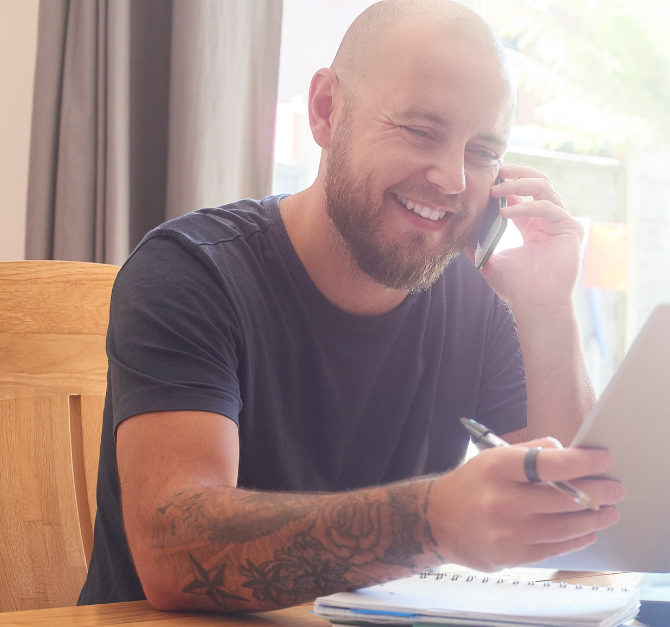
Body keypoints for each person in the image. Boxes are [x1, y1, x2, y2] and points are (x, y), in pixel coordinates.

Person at [77, 0, 624, 611]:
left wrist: (548, 310)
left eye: (482, 152)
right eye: (421, 131)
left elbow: (583, 535)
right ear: (326, 111)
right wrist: (431, 522)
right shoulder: (193, 271)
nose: (451, 179)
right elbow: (173, 554)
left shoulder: (481, 299)